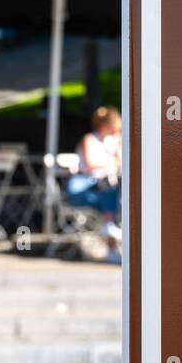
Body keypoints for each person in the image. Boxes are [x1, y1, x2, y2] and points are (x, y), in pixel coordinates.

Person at [67, 106, 122, 263]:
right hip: (84, 189)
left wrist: (118, 147)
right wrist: (112, 161)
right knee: (111, 195)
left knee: (114, 193)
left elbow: (120, 163)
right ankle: (110, 230)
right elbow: (91, 164)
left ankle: (110, 229)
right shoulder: (89, 140)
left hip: (102, 191)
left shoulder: (111, 143)